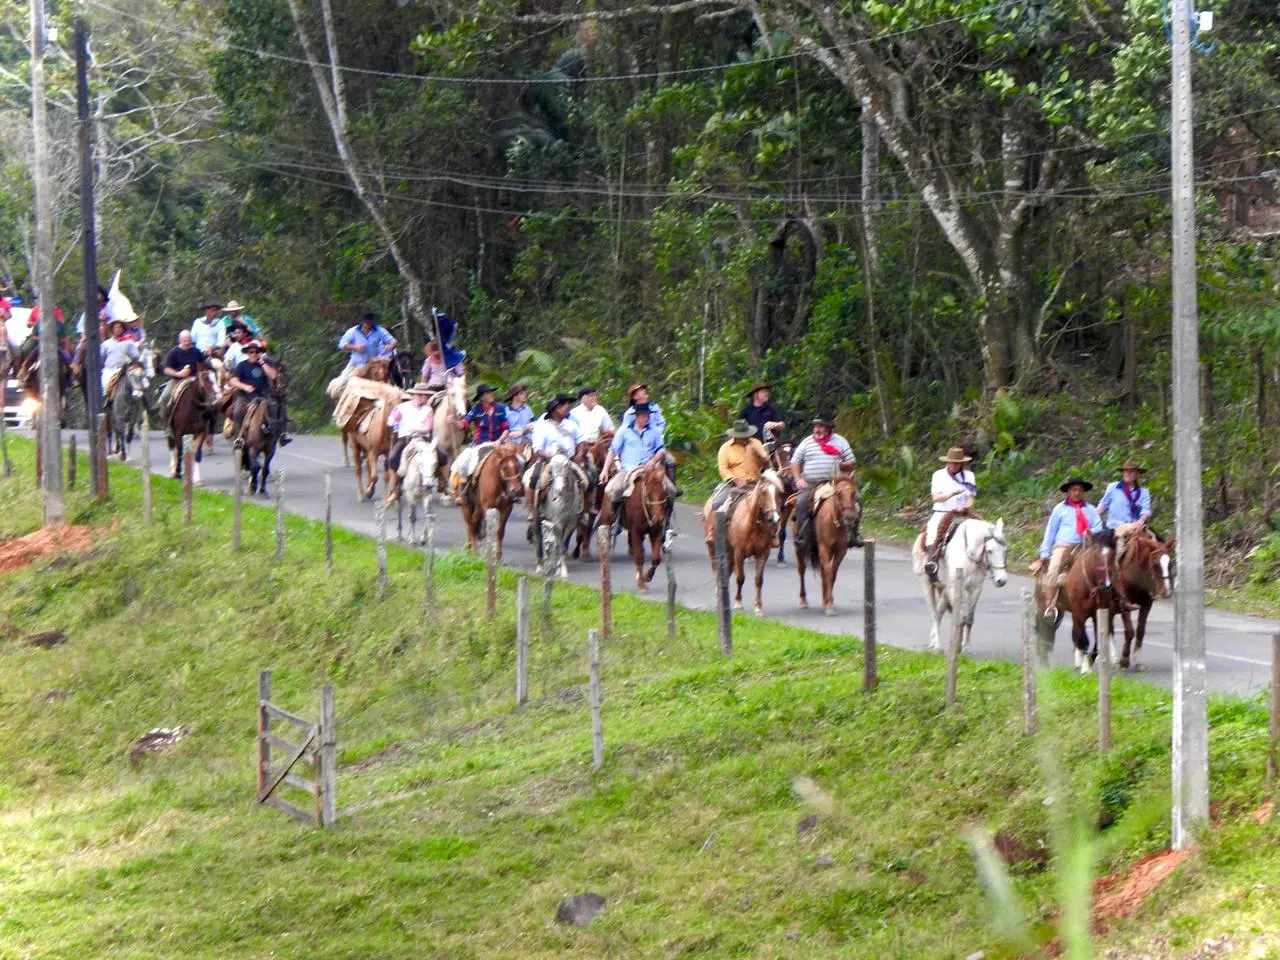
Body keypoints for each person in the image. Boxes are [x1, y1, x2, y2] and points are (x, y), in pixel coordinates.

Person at [1035, 477, 1105, 618]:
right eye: (1074, 490)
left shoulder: (1090, 509)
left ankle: (1105, 600)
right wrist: (1044, 552)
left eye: (1080, 490)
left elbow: (1099, 527)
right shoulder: (1059, 509)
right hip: (1064, 545)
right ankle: (1050, 606)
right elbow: (1051, 531)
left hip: (1085, 546)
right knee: (1054, 568)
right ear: (1068, 491)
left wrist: (1091, 532)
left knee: (1103, 567)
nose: (1077, 493)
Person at [790, 415, 860, 551]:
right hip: (811, 482)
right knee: (801, 502)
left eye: (821, 426)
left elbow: (852, 462)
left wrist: (843, 465)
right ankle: (803, 536)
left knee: (857, 499)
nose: (817, 429)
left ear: (828, 428)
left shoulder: (840, 441)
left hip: (836, 482)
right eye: (816, 426)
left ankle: (854, 534)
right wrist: (798, 479)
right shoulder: (806, 442)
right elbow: (795, 461)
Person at [524, 393, 586, 540]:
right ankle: (535, 509)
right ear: (555, 409)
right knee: (533, 480)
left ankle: (582, 510)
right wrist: (550, 456)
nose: (567, 408)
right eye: (564, 406)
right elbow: (537, 448)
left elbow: (581, 441)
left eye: (567, 405)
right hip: (549, 461)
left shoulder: (571, 424)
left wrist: (580, 453)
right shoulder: (542, 426)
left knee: (586, 480)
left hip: (569, 461)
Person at [601, 402, 673, 524]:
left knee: (671, 490)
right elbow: (613, 450)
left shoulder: (654, 432)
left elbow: (661, 450)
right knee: (615, 489)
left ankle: (666, 524)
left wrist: (653, 461)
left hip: (650, 469)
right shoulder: (624, 431)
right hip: (628, 469)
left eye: (647, 416)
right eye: (643, 416)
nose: (646, 418)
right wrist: (605, 469)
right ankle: (615, 520)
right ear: (637, 416)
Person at [707, 419, 771, 540]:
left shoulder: (756, 443)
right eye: (742, 436)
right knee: (718, 503)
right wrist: (735, 479)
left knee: (772, 504)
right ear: (735, 435)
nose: (745, 438)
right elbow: (723, 469)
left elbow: (767, 461)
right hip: (734, 484)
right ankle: (714, 533)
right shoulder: (725, 448)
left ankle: (771, 536)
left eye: (746, 435)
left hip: (756, 483)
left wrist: (758, 455)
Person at [922, 446, 978, 578]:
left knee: (982, 530)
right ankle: (932, 560)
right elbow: (935, 497)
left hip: (961, 512)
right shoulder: (938, 475)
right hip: (942, 511)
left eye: (957, 463)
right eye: (952, 462)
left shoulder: (969, 476)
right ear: (947, 462)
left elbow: (970, 497)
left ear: (961, 464)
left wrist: (966, 507)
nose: (954, 465)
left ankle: (983, 561)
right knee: (933, 530)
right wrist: (951, 494)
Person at [448, 384, 511, 500]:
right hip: (480, 445)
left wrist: (500, 441)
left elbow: (506, 428)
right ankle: (463, 490)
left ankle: (515, 489)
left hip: (498, 443)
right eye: (488, 393)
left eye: (491, 392)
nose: (492, 395)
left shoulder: (500, 409)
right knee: (463, 463)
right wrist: (454, 421)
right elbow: (463, 424)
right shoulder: (476, 409)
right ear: (482, 397)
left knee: (517, 461)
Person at [619, 382, 679, 493]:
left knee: (671, 461)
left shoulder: (655, 408)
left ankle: (671, 488)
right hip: (636, 447)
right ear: (635, 396)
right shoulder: (629, 414)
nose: (644, 391)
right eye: (640, 390)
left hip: (655, 444)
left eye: (644, 389)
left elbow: (661, 423)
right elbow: (625, 432)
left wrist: (656, 436)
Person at [227, 341, 282, 448]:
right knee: (237, 412)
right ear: (247, 353)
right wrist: (245, 387)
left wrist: (262, 363)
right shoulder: (242, 365)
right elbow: (233, 381)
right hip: (245, 396)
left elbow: (273, 376)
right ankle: (238, 437)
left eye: (256, 352)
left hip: (263, 396)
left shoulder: (264, 365)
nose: (253, 354)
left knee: (276, 409)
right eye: (251, 352)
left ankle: (279, 434)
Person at [331, 312, 396, 397]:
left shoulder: (379, 330)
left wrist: (390, 346)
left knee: (388, 385)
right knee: (342, 384)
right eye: (367, 323)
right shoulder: (353, 331)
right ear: (362, 322)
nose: (369, 325)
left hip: (373, 364)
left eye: (370, 323)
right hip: (356, 363)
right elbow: (342, 345)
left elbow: (393, 341)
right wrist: (355, 347)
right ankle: (342, 402)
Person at [157, 330, 207, 426]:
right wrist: (178, 373)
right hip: (177, 380)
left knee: (209, 394)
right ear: (180, 340)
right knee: (164, 397)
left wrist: (203, 372)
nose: (187, 342)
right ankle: (166, 423)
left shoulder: (196, 351)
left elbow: (203, 364)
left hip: (194, 379)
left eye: (189, 340)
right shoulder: (174, 352)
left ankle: (206, 420)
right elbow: (167, 369)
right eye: (185, 340)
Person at [387, 383, 435, 476]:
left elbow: (427, 428)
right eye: (425, 395)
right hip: (405, 438)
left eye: (426, 395)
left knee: (442, 455)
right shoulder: (402, 407)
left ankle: (441, 480)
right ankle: (396, 479)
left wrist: (414, 429)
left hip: (423, 439)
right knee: (392, 458)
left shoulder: (428, 409)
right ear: (418, 395)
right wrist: (393, 421)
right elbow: (391, 420)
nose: (427, 397)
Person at [99, 319, 140, 392]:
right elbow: (101, 359)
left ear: (123, 329)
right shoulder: (106, 344)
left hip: (125, 371)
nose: (118, 329)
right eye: (116, 327)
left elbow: (136, 356)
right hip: (110, 370)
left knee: (138, 386)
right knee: (104, 389)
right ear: (112, 329)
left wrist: (131, 361)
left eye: (120, 327)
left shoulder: (129, 342)